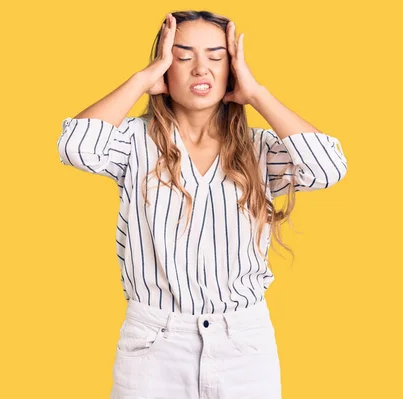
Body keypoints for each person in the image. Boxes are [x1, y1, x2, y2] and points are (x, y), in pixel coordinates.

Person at [57, 9, 348, 399]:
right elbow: (76, 146)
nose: (201, 70)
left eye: (216, 57)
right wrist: (143, 79)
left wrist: (258, 93)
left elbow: (328, 167)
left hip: (243, 344)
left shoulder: (258, 149)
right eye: (182, 57)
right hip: (153, 345)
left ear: (232, 69)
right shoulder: (134, 142)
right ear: (164, 66)